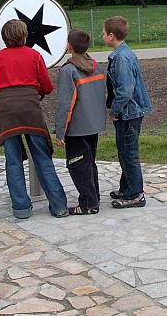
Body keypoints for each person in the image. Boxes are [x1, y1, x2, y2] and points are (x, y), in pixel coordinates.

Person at [0, 19, 68, 219]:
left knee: (13, 161)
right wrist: (35, 93)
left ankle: (21, 208)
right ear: (25, 35)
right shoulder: (35, 56)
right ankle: (59, 206)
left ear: (3, 38)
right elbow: (47, 86)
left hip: (6, 113)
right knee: (42, 158)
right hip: (31, 110)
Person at [55, 29, 107, 215]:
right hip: (94, 125)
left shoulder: (68, 71)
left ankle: (88, 204)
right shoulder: (97, 66)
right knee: (89, 163)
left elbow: (64, 104)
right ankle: (94, 197)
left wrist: (60, 131)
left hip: (76, 129)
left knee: (78, 165)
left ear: (69, 46)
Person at [102, 16, 152, 208]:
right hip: (130, 112)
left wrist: (115, 110)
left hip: (128, 113)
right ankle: (126, 187)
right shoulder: (123, 53)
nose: (103, 36)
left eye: (104, 33)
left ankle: (135, 194)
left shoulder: (121, 58)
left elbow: (125, 90)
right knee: (124, 150)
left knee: (129, 153)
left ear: (112, 35)